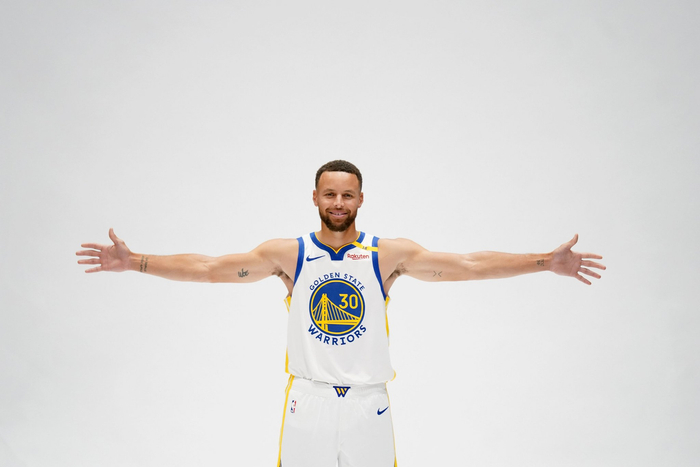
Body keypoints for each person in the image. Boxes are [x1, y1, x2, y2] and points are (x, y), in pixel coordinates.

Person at [77, 160, 605, 467]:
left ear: (360, 199)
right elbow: (211, 268)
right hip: (307, 400)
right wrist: (135, 261)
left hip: (367, 402)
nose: (338, 202)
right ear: (314, 197)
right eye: (329, 193)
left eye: (347, 195)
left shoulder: (385, 254)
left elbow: (467, 265)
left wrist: (544, 261)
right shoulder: (289, 254)